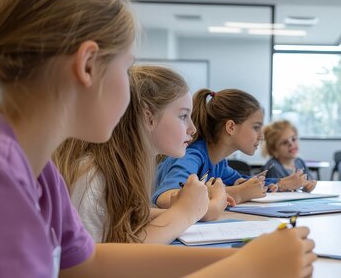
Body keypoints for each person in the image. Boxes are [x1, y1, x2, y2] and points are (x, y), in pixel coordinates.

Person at [0, 0, 315, 278]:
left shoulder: (37, 169)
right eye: (125, 67)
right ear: (88, 66)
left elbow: (84, 269)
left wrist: (243, 259)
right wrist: (247, 272)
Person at [54, 65, 232, 244]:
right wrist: (184, 213)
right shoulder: (92, 179)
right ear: (149, 118)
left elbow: (131, 217)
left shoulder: (127, 168)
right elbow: (106, 262)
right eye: (183, 116)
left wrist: (187, 207)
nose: (192, 129)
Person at [153, 89, 307, 207]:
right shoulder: (192, 156)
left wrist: (282, 183)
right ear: (231, 127)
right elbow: (164, 197)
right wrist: (237, 193)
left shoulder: (218, 162)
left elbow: (246, 183)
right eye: (256, 127)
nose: (261, 136)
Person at [261, 120, 317, 192]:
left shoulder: (300, 162)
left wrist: (308, 185)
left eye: (293, 139)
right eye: (284, 142)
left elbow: (308, 181)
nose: (291, 144)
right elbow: (271, 192)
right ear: (274, 149)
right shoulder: (273, 167)